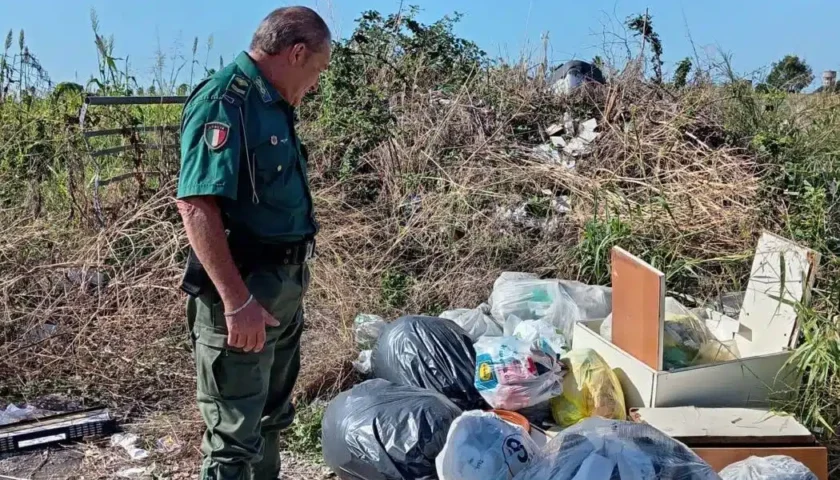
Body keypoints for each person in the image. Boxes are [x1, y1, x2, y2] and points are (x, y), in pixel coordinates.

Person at [174, 6, 331, 480]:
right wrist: (236, 300)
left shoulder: (273, 106)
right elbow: (197, 205)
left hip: (281, 291)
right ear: (296, 52)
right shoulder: (227, 101)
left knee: (270, 420)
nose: (317, 83)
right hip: (245, 295)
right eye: (317, 69)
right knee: (233, 439)